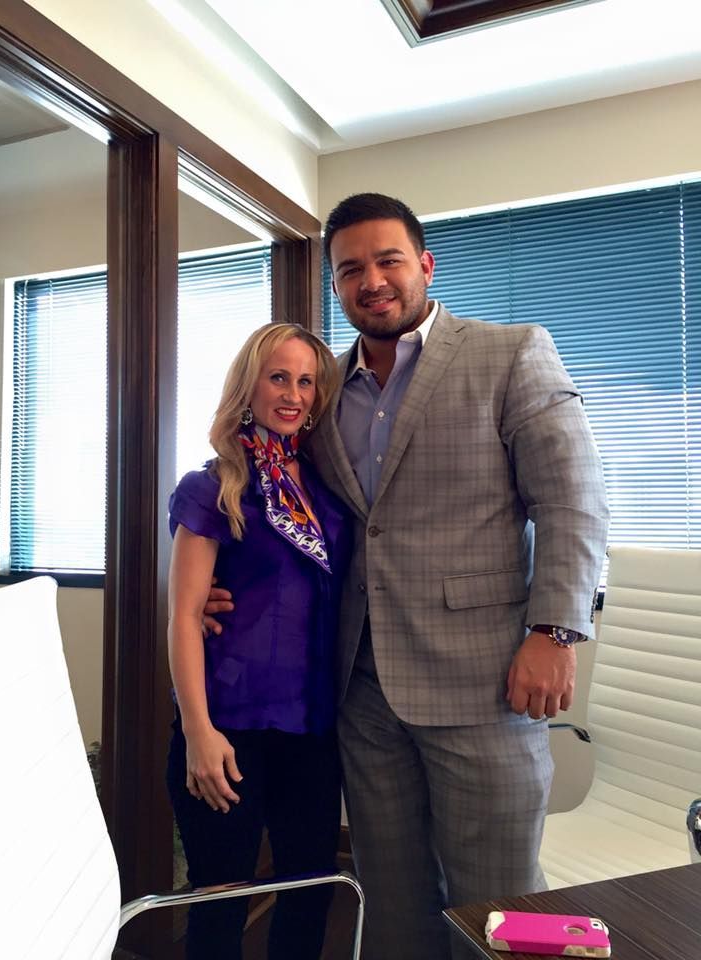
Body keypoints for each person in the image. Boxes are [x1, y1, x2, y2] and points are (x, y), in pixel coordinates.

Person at [205, 194, 609, 960]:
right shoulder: (323, 390)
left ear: (424, 264)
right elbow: (292, 509)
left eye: (388, 260)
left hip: (484, 685)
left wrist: (555, 631)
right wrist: (217, 594)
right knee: (391, 904)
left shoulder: (510, 353)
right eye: (350, 269)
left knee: (498, 909)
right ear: (336, 285)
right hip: (361, 691)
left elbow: (574, 497)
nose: (372, 280)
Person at [166, 322, 351, 960]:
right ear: (250, 384)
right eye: (279, 377)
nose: (294, 394)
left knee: (309, 894)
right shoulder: (214, 485)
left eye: (306, 381)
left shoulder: (328, 487)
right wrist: (197, 731)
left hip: (312, 726)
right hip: (229, 724)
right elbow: (186, 615)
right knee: (219, 901)